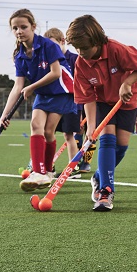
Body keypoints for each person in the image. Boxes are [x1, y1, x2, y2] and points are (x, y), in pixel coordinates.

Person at [65, 14, 137, 212]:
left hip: (127, 101)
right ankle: (105, 191)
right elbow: (87, 97)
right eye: (77, 49)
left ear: (97, 41)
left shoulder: (116, 49)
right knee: (107, 140)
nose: (81, 52)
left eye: (85, 48)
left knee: (121, 146)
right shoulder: (81, 63)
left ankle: (99, 176)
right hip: (103, 102)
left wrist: (127, 83)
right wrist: (91, 126)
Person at [0, 9, 78, 193]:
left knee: (49, 131)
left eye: (23, 27)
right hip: (43, 92)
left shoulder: (49, 46)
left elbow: (56, 73)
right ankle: (40, 172)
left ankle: (47, 171)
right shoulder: (19, 55)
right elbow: (18, 86)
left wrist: (32, 87)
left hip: (62, 90)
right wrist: (4, 114)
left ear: (33, 27)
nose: (19, 31)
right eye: (15, 28)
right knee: (36, 126)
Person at [44, 27, 82, 175]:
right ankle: (48, 167)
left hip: (72, 103)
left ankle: (73, 167)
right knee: (48, 132)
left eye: (54, 44)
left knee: (69, 135)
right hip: (55, 103)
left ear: (62, 41)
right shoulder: (50, 60)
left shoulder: (75, 59)